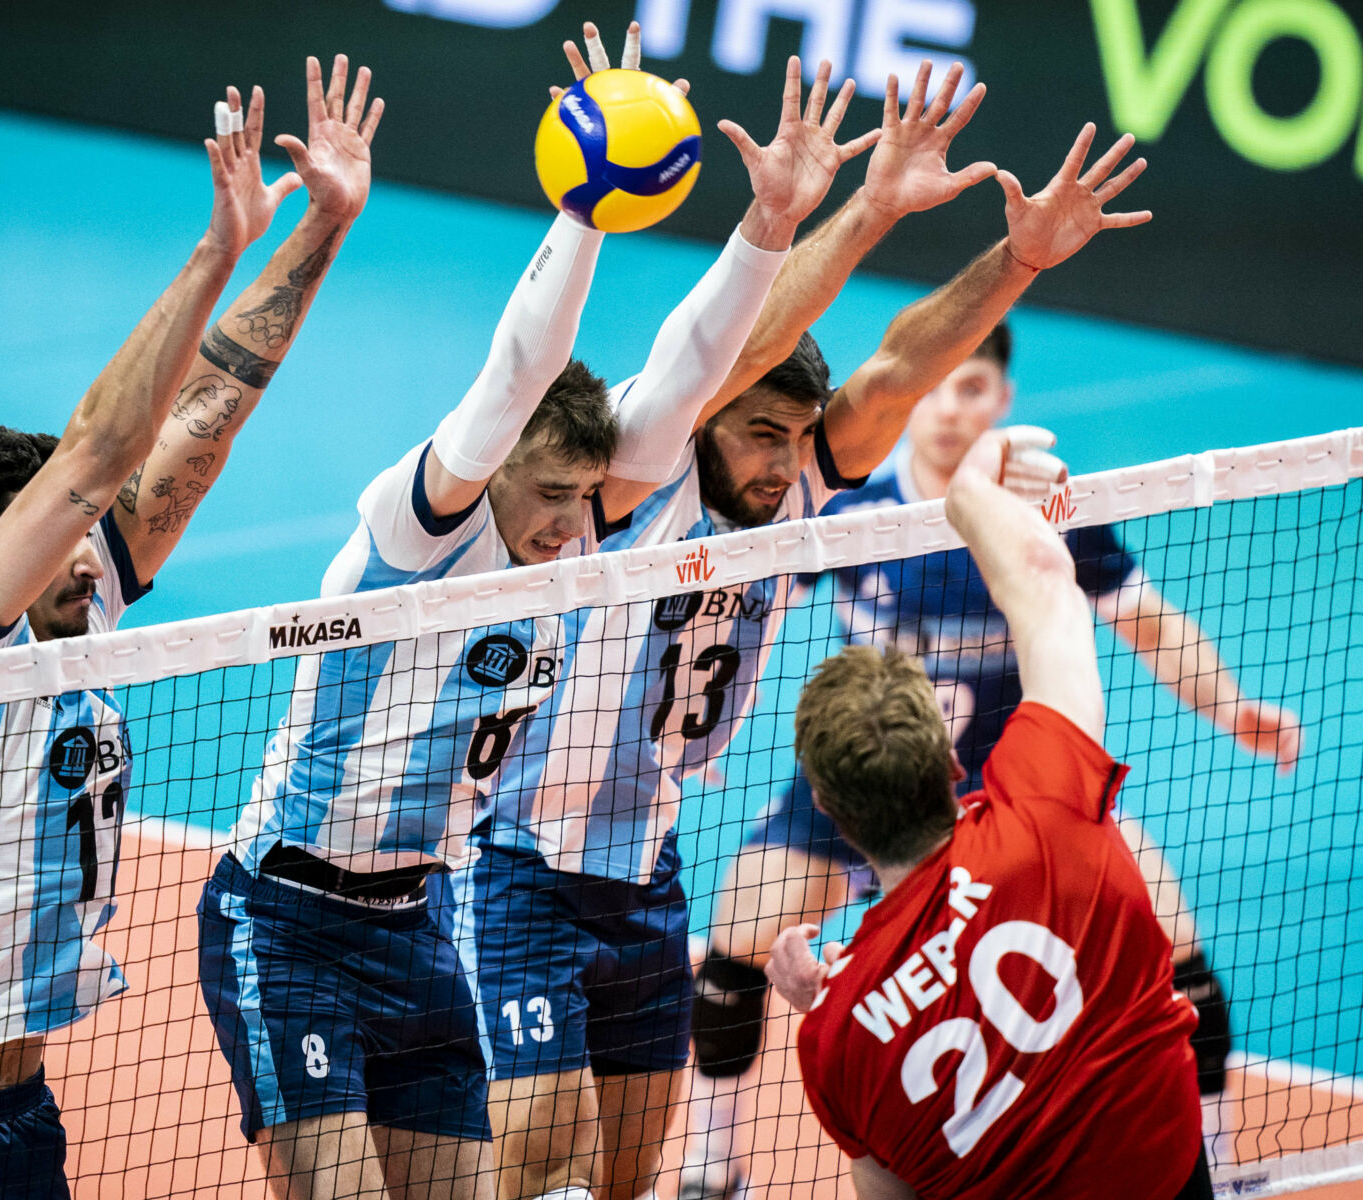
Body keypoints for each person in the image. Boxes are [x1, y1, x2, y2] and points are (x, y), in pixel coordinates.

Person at [463, 48, 1153, 1200]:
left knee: (625, 1175)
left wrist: (1020, 259)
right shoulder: (636, 486)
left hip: (647, 872)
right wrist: (862, 208)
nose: (785, 461)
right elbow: (728, 349)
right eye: (759, 434)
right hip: (526, 866)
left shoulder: (797, 497)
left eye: (796, 438)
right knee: (540, 1153)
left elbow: (895, 371)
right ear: (705, 424)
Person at [196, 22, 857, 1199]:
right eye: (547, 494)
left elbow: (688, 370)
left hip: (417, 916)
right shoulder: (421, 532)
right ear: (492, 467)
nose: (567, 523)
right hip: (289, 912)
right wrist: (584, 213)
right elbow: (514, 373)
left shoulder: (582, 537)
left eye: (580, 498)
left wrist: (768, 225)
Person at [0, 62, 371, 1200]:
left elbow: (209, 410)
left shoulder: (85, 601)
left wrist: (322, 226)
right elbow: (98, 453)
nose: (83, 556)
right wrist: (217, 248)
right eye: (55, 535)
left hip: (21, 1116)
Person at [684, 322, 1304, 1192]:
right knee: (738, 935)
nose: (949, 408)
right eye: (937, 385)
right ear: (912, 394)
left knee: (1177, 948)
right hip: (869, 778)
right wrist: (704, 724)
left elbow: (1147, 621)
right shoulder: (850, 510)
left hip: (1011, 793)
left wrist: (1231, 707)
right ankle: (710, 1167)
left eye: (972, 389)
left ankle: (1221, 1160)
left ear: (1003, 400)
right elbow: (751, 605)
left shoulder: (1044, 515)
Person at [770, 426, 1213, 1200]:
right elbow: (1043, 586)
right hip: (1168, 1179)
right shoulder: (1049, 808)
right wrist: (971, 489)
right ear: (951, 762)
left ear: (827, 810)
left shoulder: (834, 1038)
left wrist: (836, 1003)